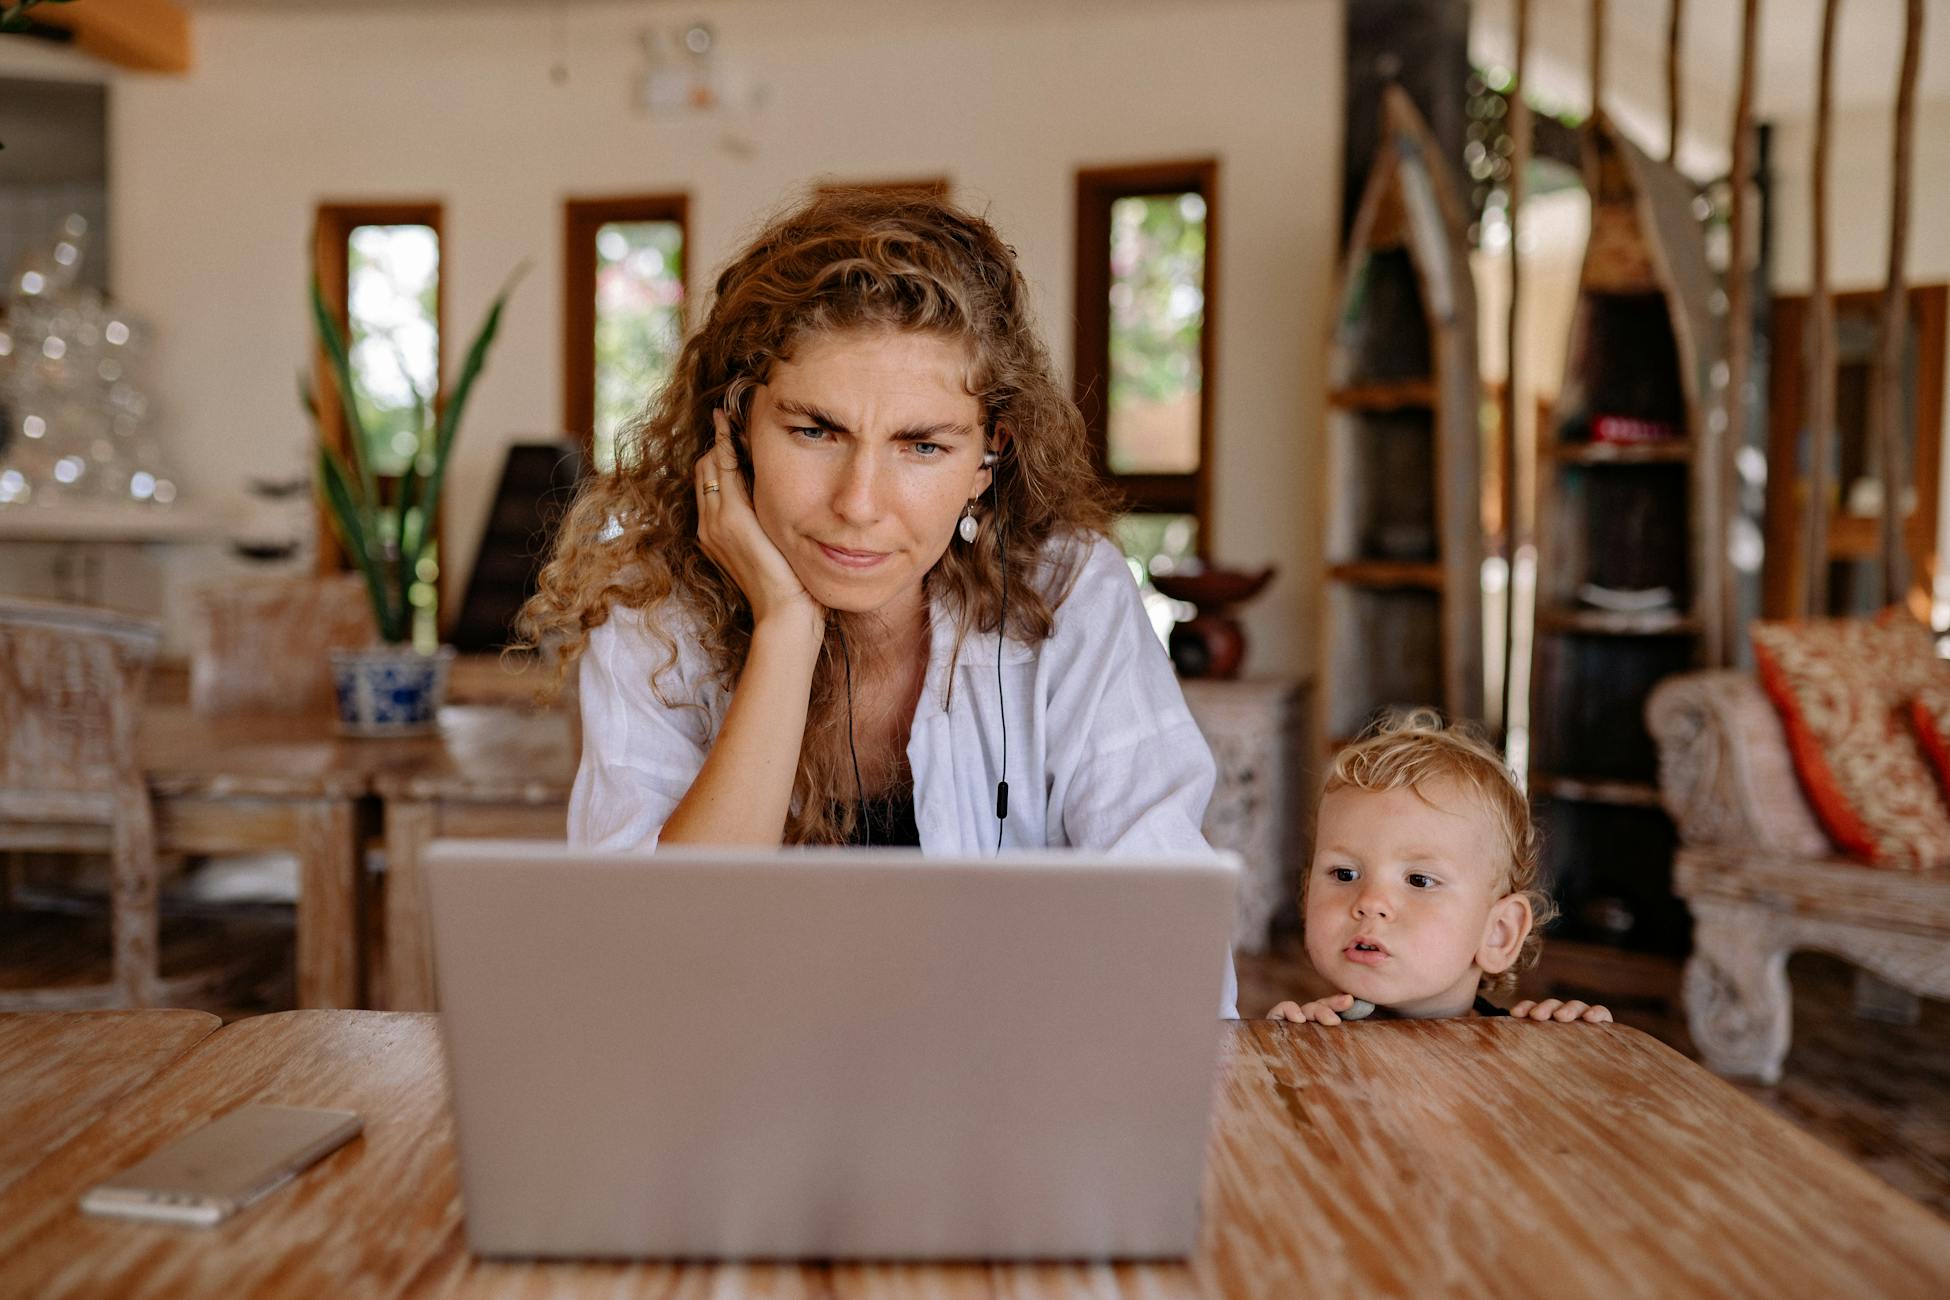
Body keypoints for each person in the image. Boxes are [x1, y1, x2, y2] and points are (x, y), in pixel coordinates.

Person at [519, 187, 1237, 1016]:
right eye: (815, 431)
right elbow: (649, 971)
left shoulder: (1067, 593)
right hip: (733, 1098)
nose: (860, 502)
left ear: (987, 458)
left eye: (922, 445)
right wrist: (786, 629)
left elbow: (1165, 940)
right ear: (736, 428)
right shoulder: (653, 611)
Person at [1269, 712, 1610, 1025]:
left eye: (1419, 880)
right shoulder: (1308, 1033)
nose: (1370, 902)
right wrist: (1281, 1055)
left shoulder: (1525, 1052)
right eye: (1345, 874)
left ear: (1499, 932)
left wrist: (1569, 1052)